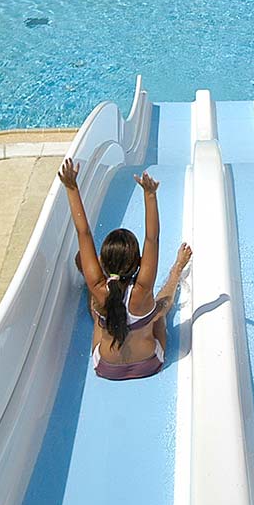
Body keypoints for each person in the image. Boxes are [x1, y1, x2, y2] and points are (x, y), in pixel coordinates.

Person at [59, 158, 191, 381]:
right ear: (139, 262)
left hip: (106, 367)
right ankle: (177, 269)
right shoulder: (143, 289)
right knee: (159, 311)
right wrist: (150, 195)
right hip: (149, 363)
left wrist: (71, 187)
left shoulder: (98, 287)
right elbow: (152, 239)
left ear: (103, 263)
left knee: (99, 312)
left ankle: (93, 280)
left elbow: (84, 233)